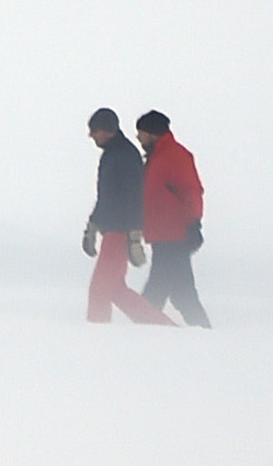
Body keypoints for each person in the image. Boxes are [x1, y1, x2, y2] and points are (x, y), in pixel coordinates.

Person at [81, 108, 172, 325]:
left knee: (100, 289)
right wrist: (92, 226)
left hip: (120, 232)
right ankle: (163, 327)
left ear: (108, 130)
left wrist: (134, 235)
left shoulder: (124, 155)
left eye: (94, 130)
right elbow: (106, 197)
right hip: (113, 230)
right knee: (115, 290)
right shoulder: (113, 154)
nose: (91, 135)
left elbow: (134, 197)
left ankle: (96, 335)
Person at [136, 109, 209, 327]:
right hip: (163, 235)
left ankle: (204, 333)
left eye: (140, 133)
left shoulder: (176, 156)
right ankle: (143, 328)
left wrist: (193, 225)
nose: (138, 138)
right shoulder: (158, 157)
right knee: (163, 289)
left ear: (152, 133)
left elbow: (192, 192)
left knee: (178, 292)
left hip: (175, 236)